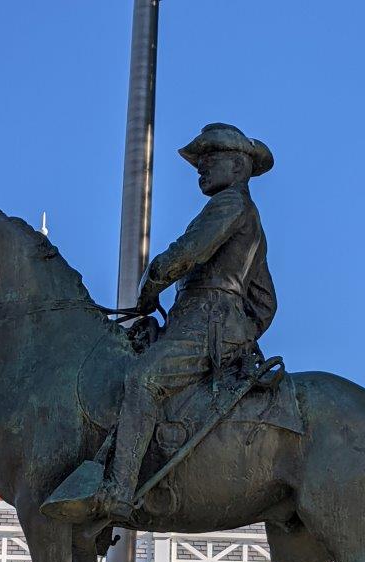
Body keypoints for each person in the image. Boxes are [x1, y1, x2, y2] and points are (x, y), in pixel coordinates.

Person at [99, 122, 277, 522]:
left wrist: (152, 280)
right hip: (204, 321)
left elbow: (188, 252)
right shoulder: (244, 214)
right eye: (200, 160)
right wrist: (244, 332)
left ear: (237, 167)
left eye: (208, 159)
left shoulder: (230, 205)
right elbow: (266, 301)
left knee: (144, 380)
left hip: (206, 322)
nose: (200, 167)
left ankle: (120, 490)